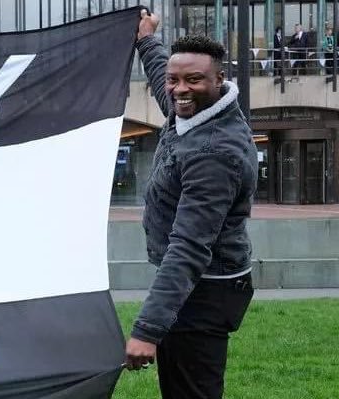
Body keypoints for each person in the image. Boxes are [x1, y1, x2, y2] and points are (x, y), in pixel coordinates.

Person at [125, 10, 258, 399]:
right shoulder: (194, 115)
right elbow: (166, 86)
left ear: (220, 80)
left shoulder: (214, 152)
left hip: (203, 290)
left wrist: (146, 331)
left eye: (194, 79)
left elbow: (189, 246)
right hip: (199, 286)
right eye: (174, 79)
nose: (179, 88)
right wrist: (146, 40)